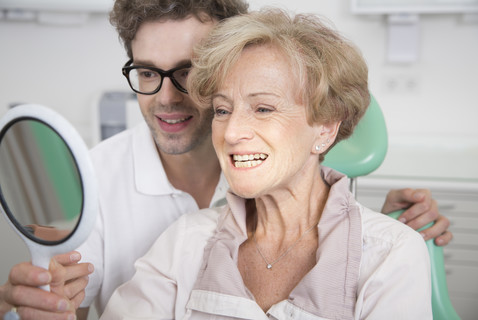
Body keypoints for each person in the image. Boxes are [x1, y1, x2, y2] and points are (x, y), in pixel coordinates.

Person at [0, 0, 450, 319]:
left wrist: (383, 231)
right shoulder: (159, 225)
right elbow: (65, 307)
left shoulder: (384, 250)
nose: (168, 98)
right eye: (147, 73)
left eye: (189, 72)